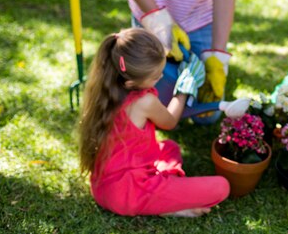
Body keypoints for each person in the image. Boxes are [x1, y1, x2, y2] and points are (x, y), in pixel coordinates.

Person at [77, 28, 231, 217]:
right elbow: (170, 121)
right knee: (221, 186)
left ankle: (165, 196)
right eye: (155, 76)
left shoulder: (105, 93)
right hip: (129, 192)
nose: (159, 78)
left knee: (169, 148)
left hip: (104, 185)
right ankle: (165, 206)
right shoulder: (144, 101)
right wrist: (183, 90)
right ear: (131, 83)